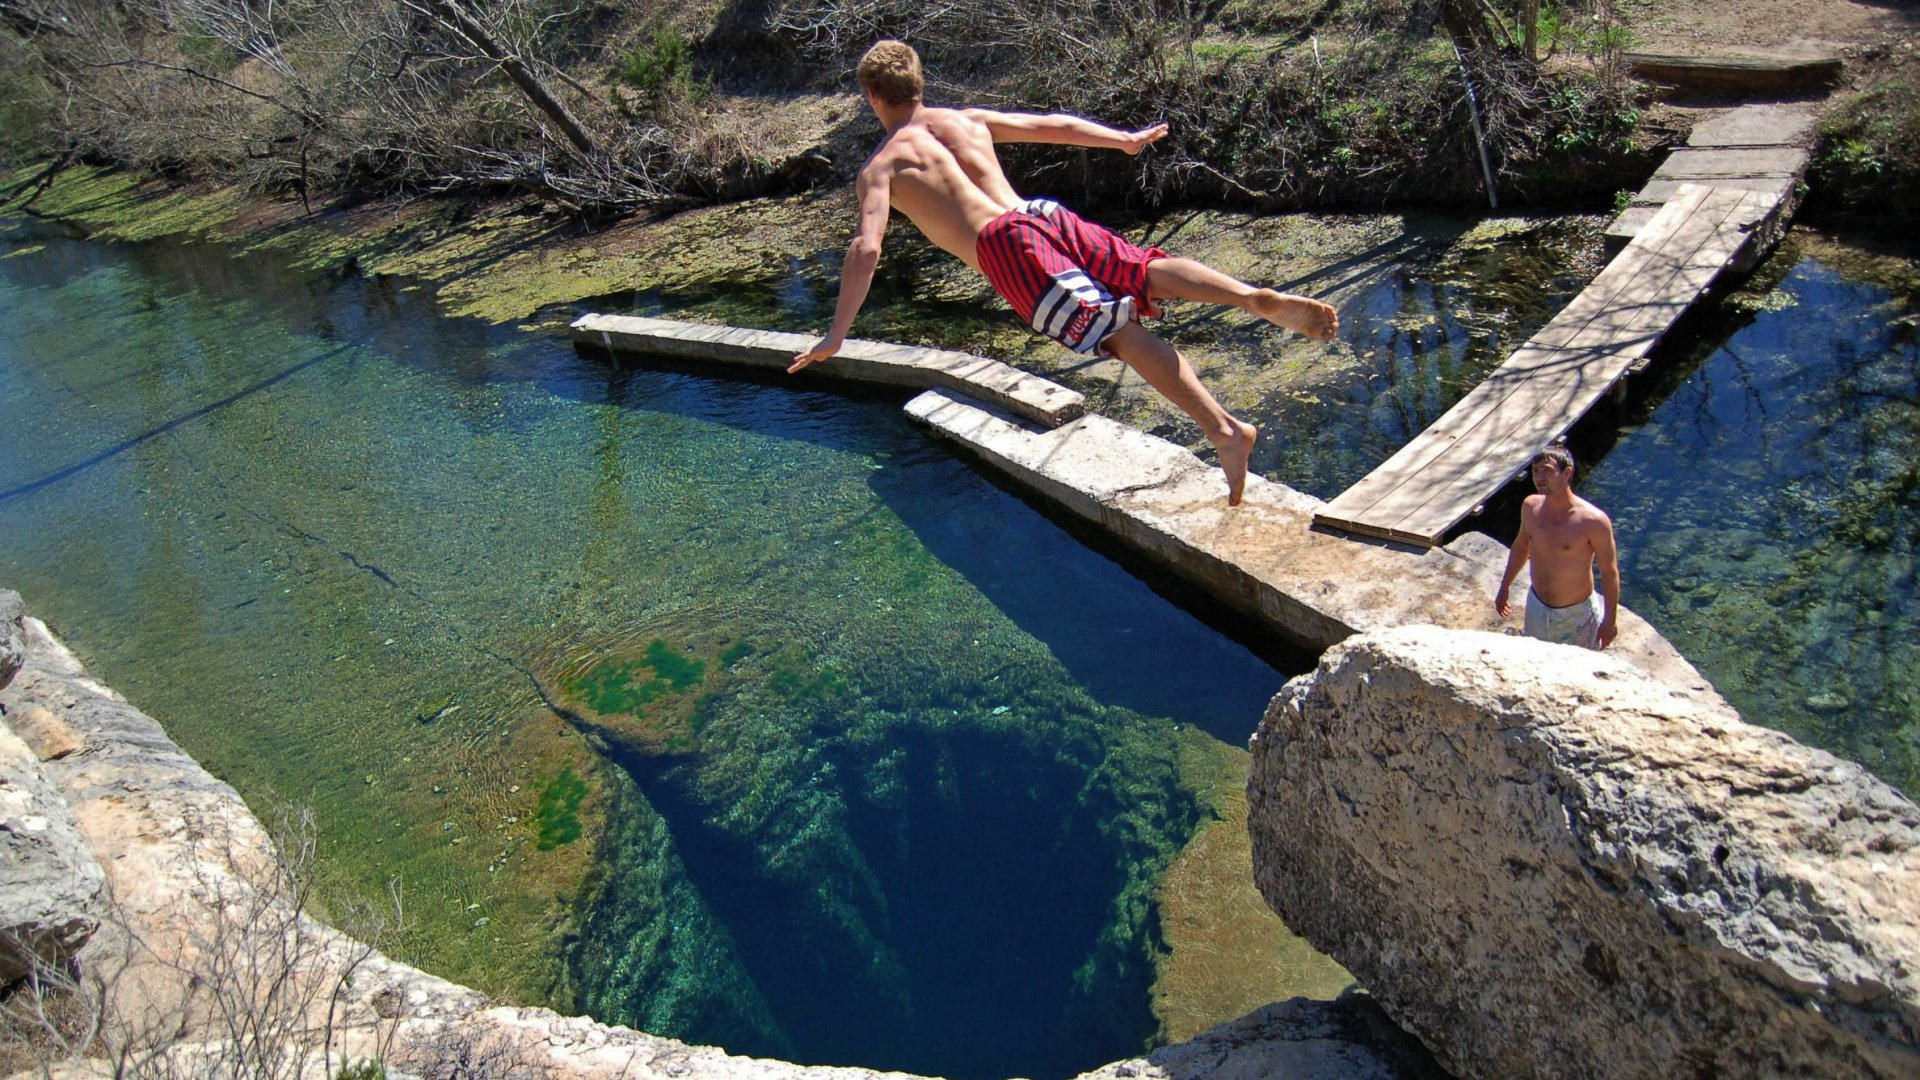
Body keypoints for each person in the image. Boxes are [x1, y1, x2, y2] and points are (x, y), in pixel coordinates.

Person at [789, 39, 1339, 506]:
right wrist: (1121, 139)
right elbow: (1053, 125)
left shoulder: (882, 166)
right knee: (1144, 270)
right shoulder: (965, 121)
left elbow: (866, 247)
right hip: (1039, 213)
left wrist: (837, 335)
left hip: (1004, 246)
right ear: (918, 84)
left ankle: (1224, 430)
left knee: (1116, 333)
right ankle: (1247, 297)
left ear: (871, 97)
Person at [1495, 443, 1620, 649]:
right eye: (1535, 471)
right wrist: (1505, 586)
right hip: (1537, 606)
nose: (1539, 477)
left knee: (1577, 673)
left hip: (1575, 613)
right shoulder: (1530, 507)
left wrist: (1610, 621)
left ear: (1567, 473)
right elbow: (1521, 547)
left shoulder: (1593, 520)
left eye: (1548, 471)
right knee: (1535, 664)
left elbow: (1609, 572)